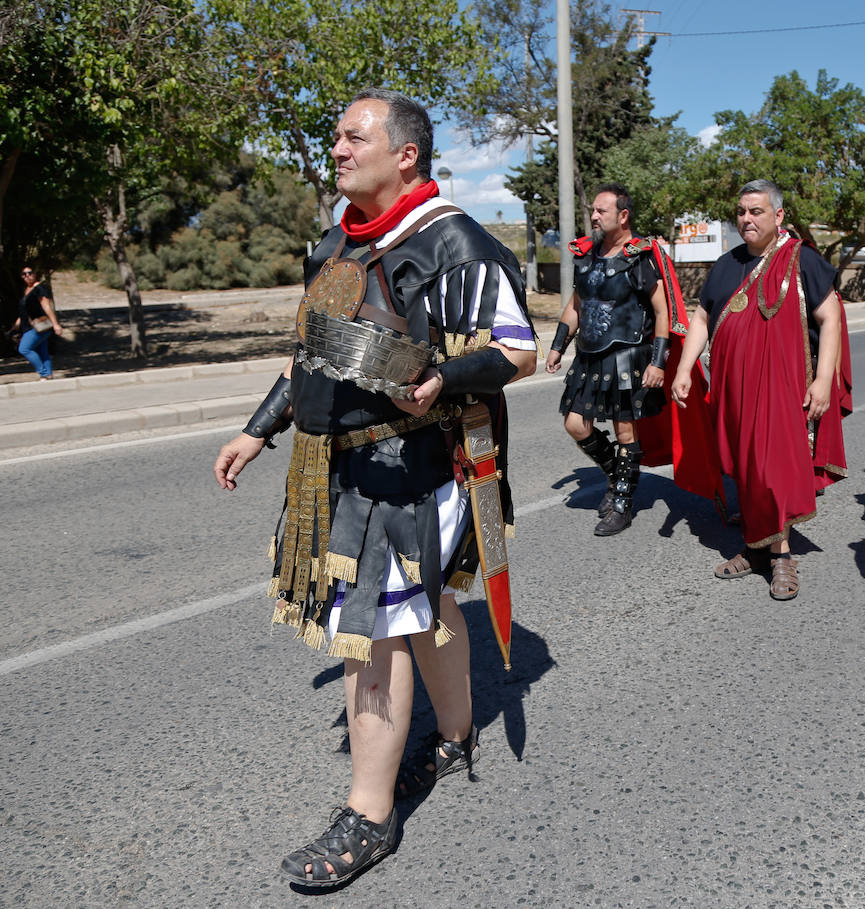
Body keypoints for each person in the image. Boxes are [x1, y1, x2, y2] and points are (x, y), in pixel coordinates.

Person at [213, 89, 536, 888]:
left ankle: (370, 811)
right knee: (427, 610)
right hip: (339, 465)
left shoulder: (451, 239)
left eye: (354, 136)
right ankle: (455, 736)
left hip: (415, 467)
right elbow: (309, 353)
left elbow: (520, 349)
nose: (337, 147)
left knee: (375, 628)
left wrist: (442, 376)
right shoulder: (336, 244)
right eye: (335, 137)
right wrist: (260, 428)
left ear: (406, 155)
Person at [670, 179, 851, 601]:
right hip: (733, 390)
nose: (747, 219)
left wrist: (823, 379)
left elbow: (830, 319)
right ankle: (757, 548)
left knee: (773, 469)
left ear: (778, 215)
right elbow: (701, 318)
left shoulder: (801, 259)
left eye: (757, 211)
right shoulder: (726, 264)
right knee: (747, 469)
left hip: (782, 390)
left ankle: (782, 556)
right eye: (742, 212)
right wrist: (684, 368)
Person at [544, 183, 678, 535]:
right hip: (588, 357)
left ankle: (622, 501)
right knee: (575, 424)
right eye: (593, 211)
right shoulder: (586, 255)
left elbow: (663, 312)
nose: (593, 216)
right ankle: (616, 474)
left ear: (623, 215)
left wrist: (659, 362)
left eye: (601, 211)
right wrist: (558, 344)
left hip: (628, 357)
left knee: (625, 431)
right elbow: (577, 305)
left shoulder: (640, 256)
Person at [12, 266, 62, 379]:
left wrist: (55, 324)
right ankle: (48, 375)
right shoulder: (26, 290)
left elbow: (46, 306)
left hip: (39, 326)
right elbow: (24, 311)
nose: (27, 276)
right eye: (24, 274)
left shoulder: (40, 289)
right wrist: (16, 324)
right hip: (28, 326)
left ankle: (43, 373)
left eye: (30, 273)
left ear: (35, 274)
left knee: (24, 349)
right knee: (42, 351)